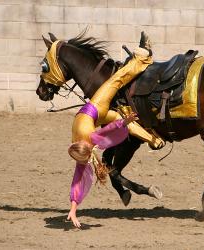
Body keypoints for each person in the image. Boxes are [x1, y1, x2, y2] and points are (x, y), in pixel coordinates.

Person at [67, 32, 159, 228]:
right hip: (96, 116)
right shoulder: (81, 150)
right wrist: (73, 209)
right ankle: (152, 139)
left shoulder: (88, 140)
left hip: (96, 108)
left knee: (117, 81)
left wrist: (122, 124)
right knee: (117, 89)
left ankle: (143, 56)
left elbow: (106, 131)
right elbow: (78, 179)